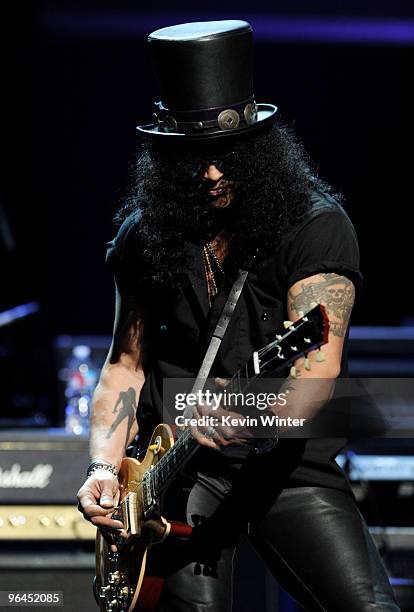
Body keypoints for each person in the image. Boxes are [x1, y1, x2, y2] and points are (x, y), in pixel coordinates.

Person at [77, 20, 400, 611]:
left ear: (258, 148)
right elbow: (123, 368)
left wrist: (251, 415)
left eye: (227, 157)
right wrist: (103, 466)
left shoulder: (315, 225)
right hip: (173, 476)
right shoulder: (143, 236)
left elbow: (314, 379)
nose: (212, 175)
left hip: (286, 466)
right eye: (192, 159)